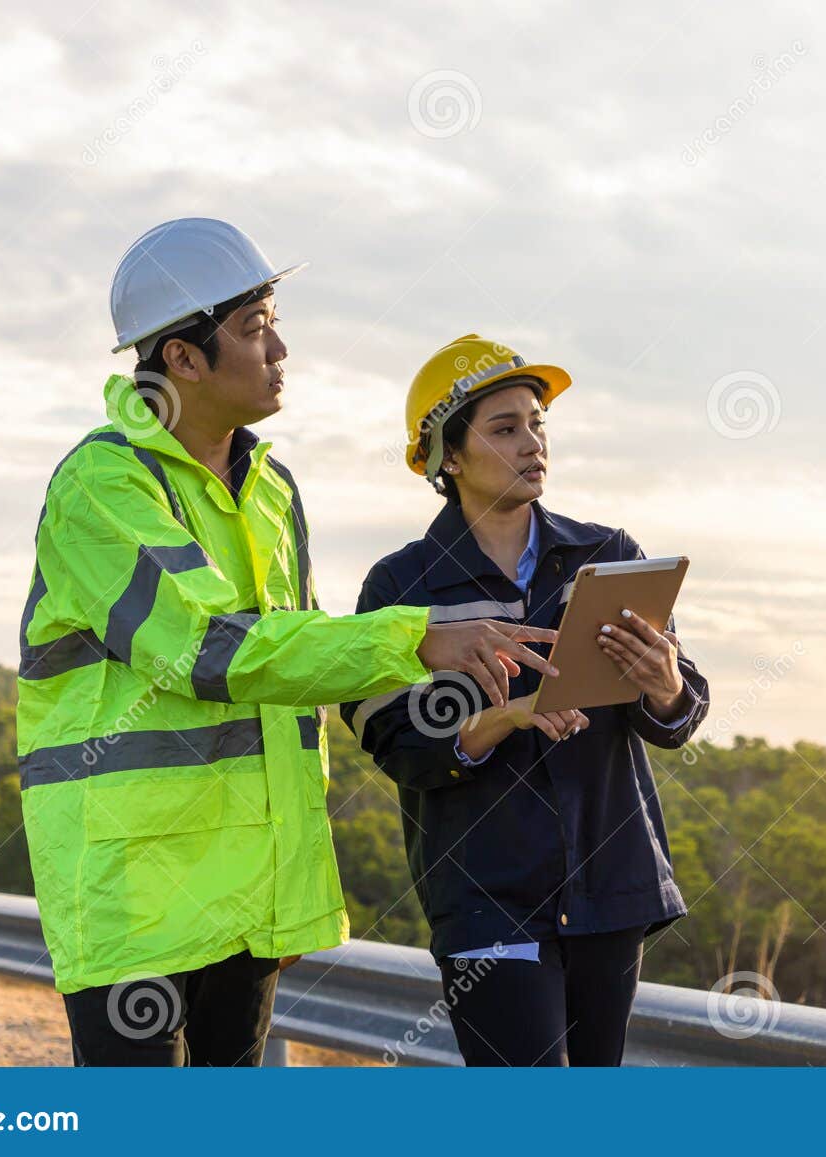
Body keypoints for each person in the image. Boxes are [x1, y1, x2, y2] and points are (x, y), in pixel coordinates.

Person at [17, 223, 556, 1066]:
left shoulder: (271, 486)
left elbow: (299, 667)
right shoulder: (102, 486)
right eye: (255, 325)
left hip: (248, 903)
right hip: (137, 900)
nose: (280, 347)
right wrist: (418, 637)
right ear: (183, 359)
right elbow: (209, 650)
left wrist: (288, 891)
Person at [341, 334, 710, 1066]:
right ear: (448, 455)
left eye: (537, 424)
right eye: (505, 429)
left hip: (609, 891)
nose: (532, 443)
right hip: (488, 901)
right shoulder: (398, 589)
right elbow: (399, 749)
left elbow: (678, 711)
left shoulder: (608, 553)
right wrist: (508, 714)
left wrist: (664, 680)